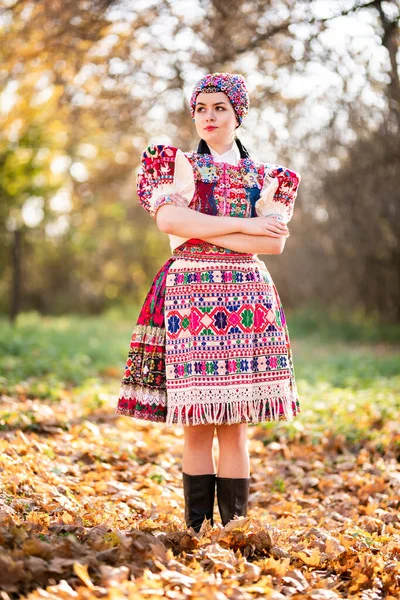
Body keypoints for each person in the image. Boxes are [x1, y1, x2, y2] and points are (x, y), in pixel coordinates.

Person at [115, 72, 302, 533]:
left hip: (247, 300)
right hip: (190, 298)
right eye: (201, 108)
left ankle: (235, 529)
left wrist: (210, 226)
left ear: (238, 114)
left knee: (235, 424)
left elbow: (274, 244)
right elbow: (169, 221)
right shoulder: (176, 164)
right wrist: (250, 228)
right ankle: (197, 529)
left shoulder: (268, 177)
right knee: (197, 421)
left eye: (219, 107)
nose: (209, 117)